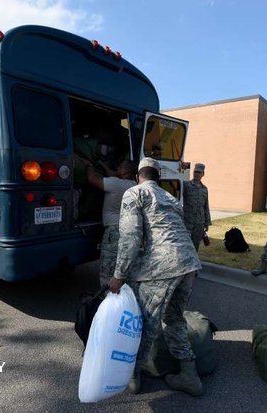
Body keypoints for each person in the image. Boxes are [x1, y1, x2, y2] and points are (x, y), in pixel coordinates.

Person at [108, 157, 203, 396]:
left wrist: (119, 274)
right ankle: (189, 375)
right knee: (174, 318)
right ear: (158, 176)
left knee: (143, 323)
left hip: (162, 265)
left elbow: (129, 238)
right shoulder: (170, 198)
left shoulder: (134, 193)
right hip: (189, 262)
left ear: (137, 175)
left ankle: (133, 376)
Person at [86, 160, 137, 287]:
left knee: (108, 268)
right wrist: (102, 163)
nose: (117, 168)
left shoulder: (116, 184)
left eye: (120, 166)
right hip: (129, 230)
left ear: (126, 171)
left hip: (114, 231)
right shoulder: (134, 185)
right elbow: (113, 173)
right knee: (123, 265)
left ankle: (107, 298)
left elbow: (92, 179)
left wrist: (89, 165)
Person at [183, 163, 212, 251]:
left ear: (203, 174)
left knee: (195, 247)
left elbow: (206, 206)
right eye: (195, 171)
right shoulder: (186, 185)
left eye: (199, 172)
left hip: (199, 223)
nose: (196, 174)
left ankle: (193, 264)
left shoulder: (204, 189)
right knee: (185, 246)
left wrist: (207, 223)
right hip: (187, 221)